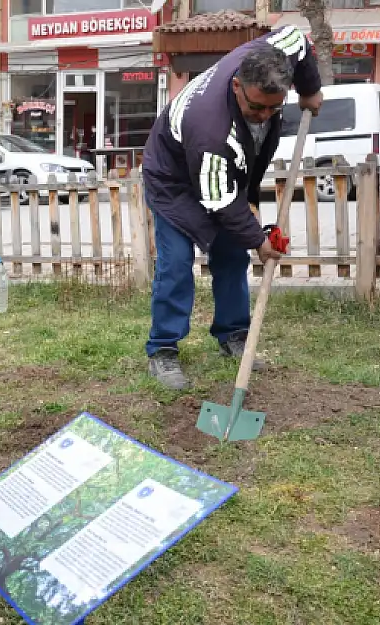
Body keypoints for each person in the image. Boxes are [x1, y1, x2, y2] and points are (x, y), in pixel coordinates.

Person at [140, 25, 323, 390]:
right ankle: (163, 350)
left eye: (274, 108)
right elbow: (219, 200)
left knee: (232, 255)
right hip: (174, 180)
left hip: (219, 174)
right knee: (176, 263)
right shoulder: (211, 129)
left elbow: (299, 41)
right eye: (256, 107)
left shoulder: (275, 54)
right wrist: (258, 238)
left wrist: (309, 89)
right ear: (237, 85)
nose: (264, 116)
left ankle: (233, 335)